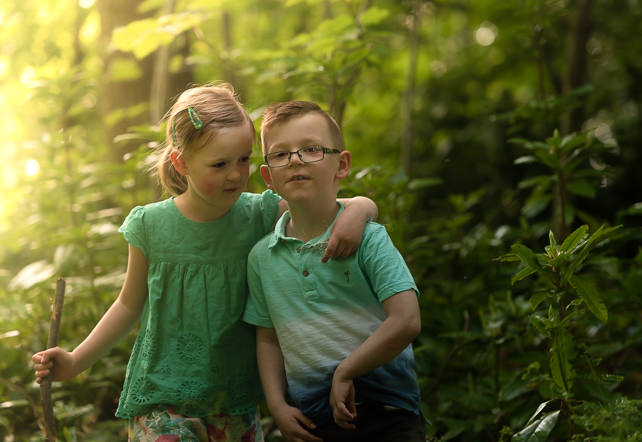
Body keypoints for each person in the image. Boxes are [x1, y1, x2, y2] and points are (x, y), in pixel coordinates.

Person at [31, 84, 377, 441]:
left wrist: (362, 209)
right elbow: (128, 304)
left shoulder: (259, 213)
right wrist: (75, 361)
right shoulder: (151, 225)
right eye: (219, 164)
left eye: (243, 159)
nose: (235, 174)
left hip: (234, 401)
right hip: (162, 397)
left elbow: (331, 208)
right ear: (182, 163)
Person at [243, 100, 425, 442]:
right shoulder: (261, 258)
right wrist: (277, 405)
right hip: (312, 422)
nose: (295, 159)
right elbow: (267, 337)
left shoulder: (369, 239)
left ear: (342, 165)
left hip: (386, 412)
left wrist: (347, 371)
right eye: (281, 154)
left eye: (311, 149)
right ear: (268, 177)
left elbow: (406, 321)